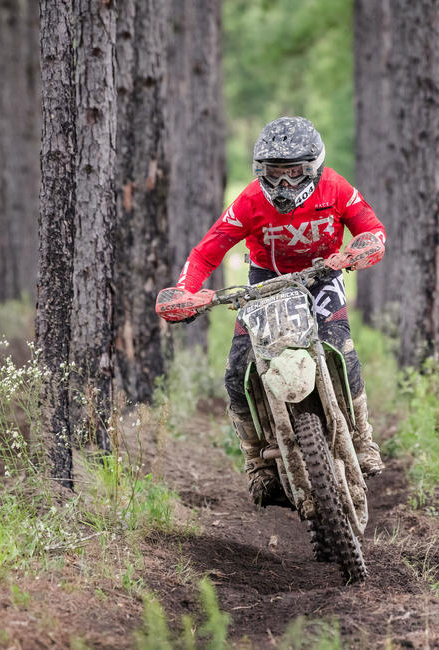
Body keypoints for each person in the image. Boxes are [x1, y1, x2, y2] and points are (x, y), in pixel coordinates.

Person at [156, 116, 386, 507]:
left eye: (294, 174)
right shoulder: (250, 201)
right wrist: (186, 291)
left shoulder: (335, 188)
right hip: (265, 284)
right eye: (274, 174)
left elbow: (372, 227)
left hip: (321, 276)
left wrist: (358, 250)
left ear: (312, 169)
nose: (283, 185)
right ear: (259, 171)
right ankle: (257, 465)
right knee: (237, 370)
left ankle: (363, 441)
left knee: (341, 350)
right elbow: (205, 252)